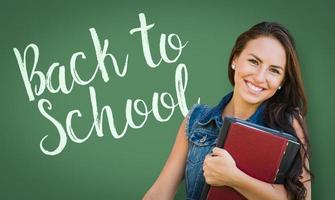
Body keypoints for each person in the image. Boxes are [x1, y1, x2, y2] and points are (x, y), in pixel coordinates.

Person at [142, 22, 312, 200]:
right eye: (254, 61)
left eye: (274, 71)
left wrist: (234, 178)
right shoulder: (197, 120)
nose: (260, 77)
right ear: (235, 59)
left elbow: (303, 198)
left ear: (282, 82)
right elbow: (160, 191)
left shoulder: (289, 123)